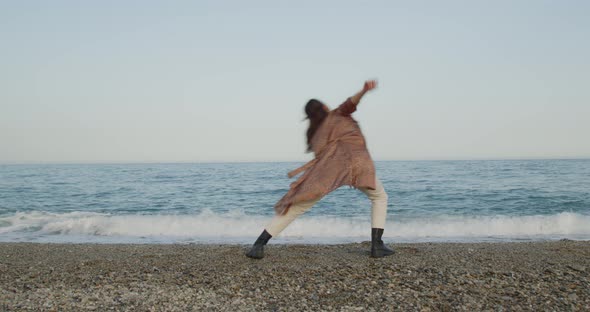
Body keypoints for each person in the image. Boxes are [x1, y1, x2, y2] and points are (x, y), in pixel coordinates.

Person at [246, 80, 393, 259]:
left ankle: (259, 244)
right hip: (357, 164)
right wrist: (363, 90)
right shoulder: (337, 114)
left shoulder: (314, 134)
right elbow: (351, 103)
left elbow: (320, 155)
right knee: (379, 197)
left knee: (297, 207)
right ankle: (377, 245)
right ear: (323, 106)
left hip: (327, 171)